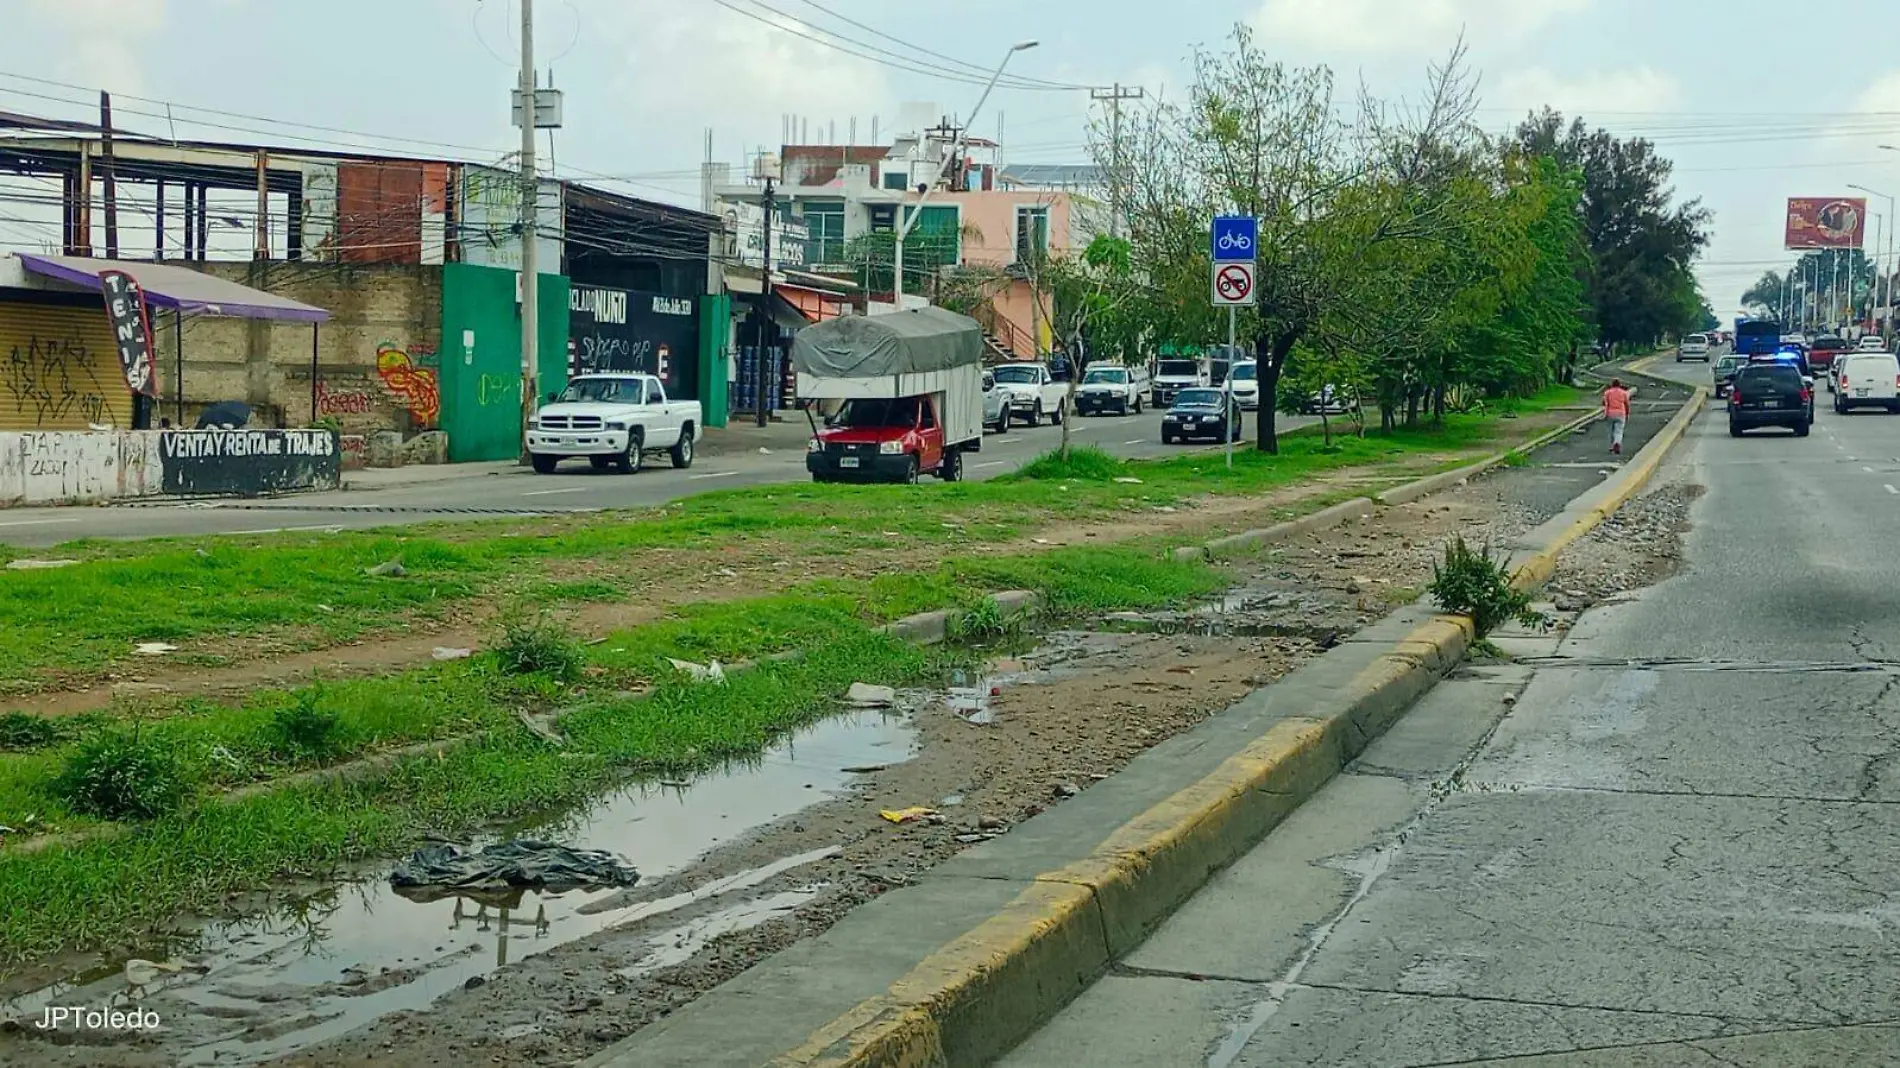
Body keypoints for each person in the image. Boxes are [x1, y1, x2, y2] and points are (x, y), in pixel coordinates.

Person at [1602, 378, 1633, 455]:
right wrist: (1627, 414)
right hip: (1621, 413)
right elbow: (1627, 404)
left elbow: (1604, 402)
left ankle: (1611, 446)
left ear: (1612, 384)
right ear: (1620, 385)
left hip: (1610, 413)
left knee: (1610, 431)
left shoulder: (1607, 393)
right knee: (1619, 431)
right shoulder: (1623, 393)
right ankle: (1617, 443)